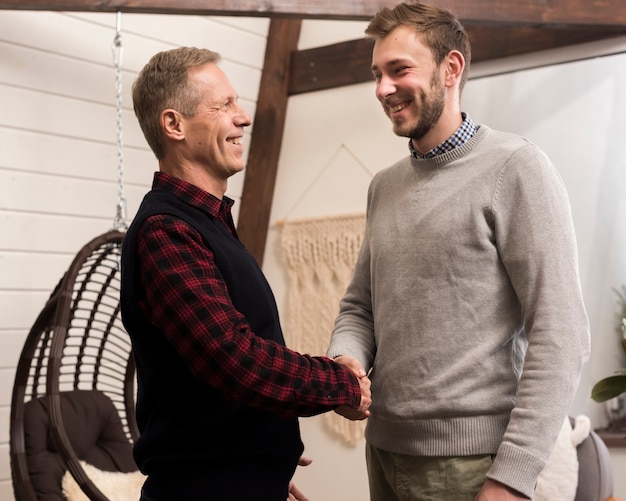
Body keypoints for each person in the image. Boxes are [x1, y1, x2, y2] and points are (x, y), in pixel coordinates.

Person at [327, 2, 590, 500]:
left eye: (399, 70)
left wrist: (512, 476)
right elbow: (360, 306)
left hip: (471, 468)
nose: (383, 89)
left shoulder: (517, 168)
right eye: (377, 74)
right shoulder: (384, 186)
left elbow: (562, 331)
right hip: (382, 452)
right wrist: (347, 359)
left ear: (451, 69)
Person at [120, 46, 371, 501]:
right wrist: (341, 385)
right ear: (174, 125)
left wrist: (261, 455)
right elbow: (234, 359)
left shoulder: (207, 222)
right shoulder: (167, 232)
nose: (244, 117)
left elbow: (208, 374)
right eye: (224, 105)